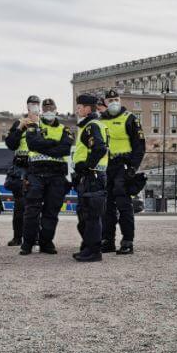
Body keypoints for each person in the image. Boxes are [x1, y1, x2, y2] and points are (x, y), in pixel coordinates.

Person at [19, 98, 72, 256]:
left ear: (56, 110)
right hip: (36, 173)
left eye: (51, 109)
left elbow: (65, 149)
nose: (49, 111)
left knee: (51, 211)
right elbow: (32, 144)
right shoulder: (33, 126)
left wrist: (43, 144)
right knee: (31, 211)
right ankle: (27, 243)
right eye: (46, 109)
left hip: (56, 175)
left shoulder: (64, 129)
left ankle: (46, 242)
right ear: (42, 111)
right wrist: (53, 144)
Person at [99, 88, 146, 255]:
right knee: (106, 206)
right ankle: (107, 241)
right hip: (106, 166)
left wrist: (133, 167)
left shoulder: (130, 118)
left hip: (123, 166)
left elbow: (139, 146)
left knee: (123, 204)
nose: (113, 103)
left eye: (116, 100)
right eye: (110, 100)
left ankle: (127, 241)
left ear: (120, 100)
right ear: (105, 102)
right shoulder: (100, 121)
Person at [71, 94, 108, 262]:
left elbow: (99, 148)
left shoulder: (91, 126)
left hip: (93, 176)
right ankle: (88, 247)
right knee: (85, 215)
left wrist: (87, 166)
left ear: (87, 108)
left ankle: (93, 251)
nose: (77, 110)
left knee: (91, 216)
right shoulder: (92, 125)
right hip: (92, 175)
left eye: (79, 107)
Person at [3, 95, 40, 245]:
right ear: (27, 106)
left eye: (36, 104)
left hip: (36, 167)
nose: (34, 107)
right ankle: (17, 237)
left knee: (35, 205)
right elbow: (11, 144)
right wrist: (19, 128)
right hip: (20, 168)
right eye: (32, 104)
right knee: (20, 205)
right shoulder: (19, 123)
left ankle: (35, 237)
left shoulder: (44, 123)